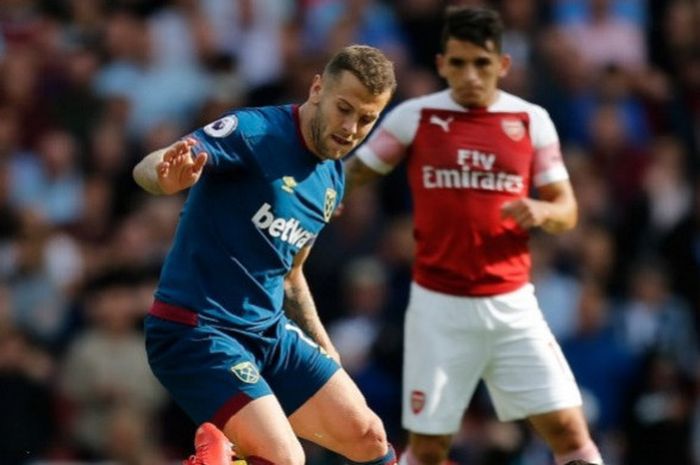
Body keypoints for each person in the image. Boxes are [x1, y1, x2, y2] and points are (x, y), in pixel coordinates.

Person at [344, 7, 604, 465]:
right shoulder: (415, 117)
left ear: (502, 65)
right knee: (427, 449)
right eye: (459, 63)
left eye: (481, 63)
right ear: (443, 63)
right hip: (437, 307)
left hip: (512, 305)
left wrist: (543, 209)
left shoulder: (530, 120)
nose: (469, 75)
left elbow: (567, 209)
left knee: (569, 433)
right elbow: (351, 175)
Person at [133, 44, 397, 465]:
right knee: (286, 460)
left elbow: (292, 274)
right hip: (196, 330)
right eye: (344, 108)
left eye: (366, 119)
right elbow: (149, 167)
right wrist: (165, 178)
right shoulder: (255, 132)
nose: (351, 127)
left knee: (369, 437)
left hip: (268, 334)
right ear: (317, 89)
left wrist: (323, 344)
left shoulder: (331, 178)